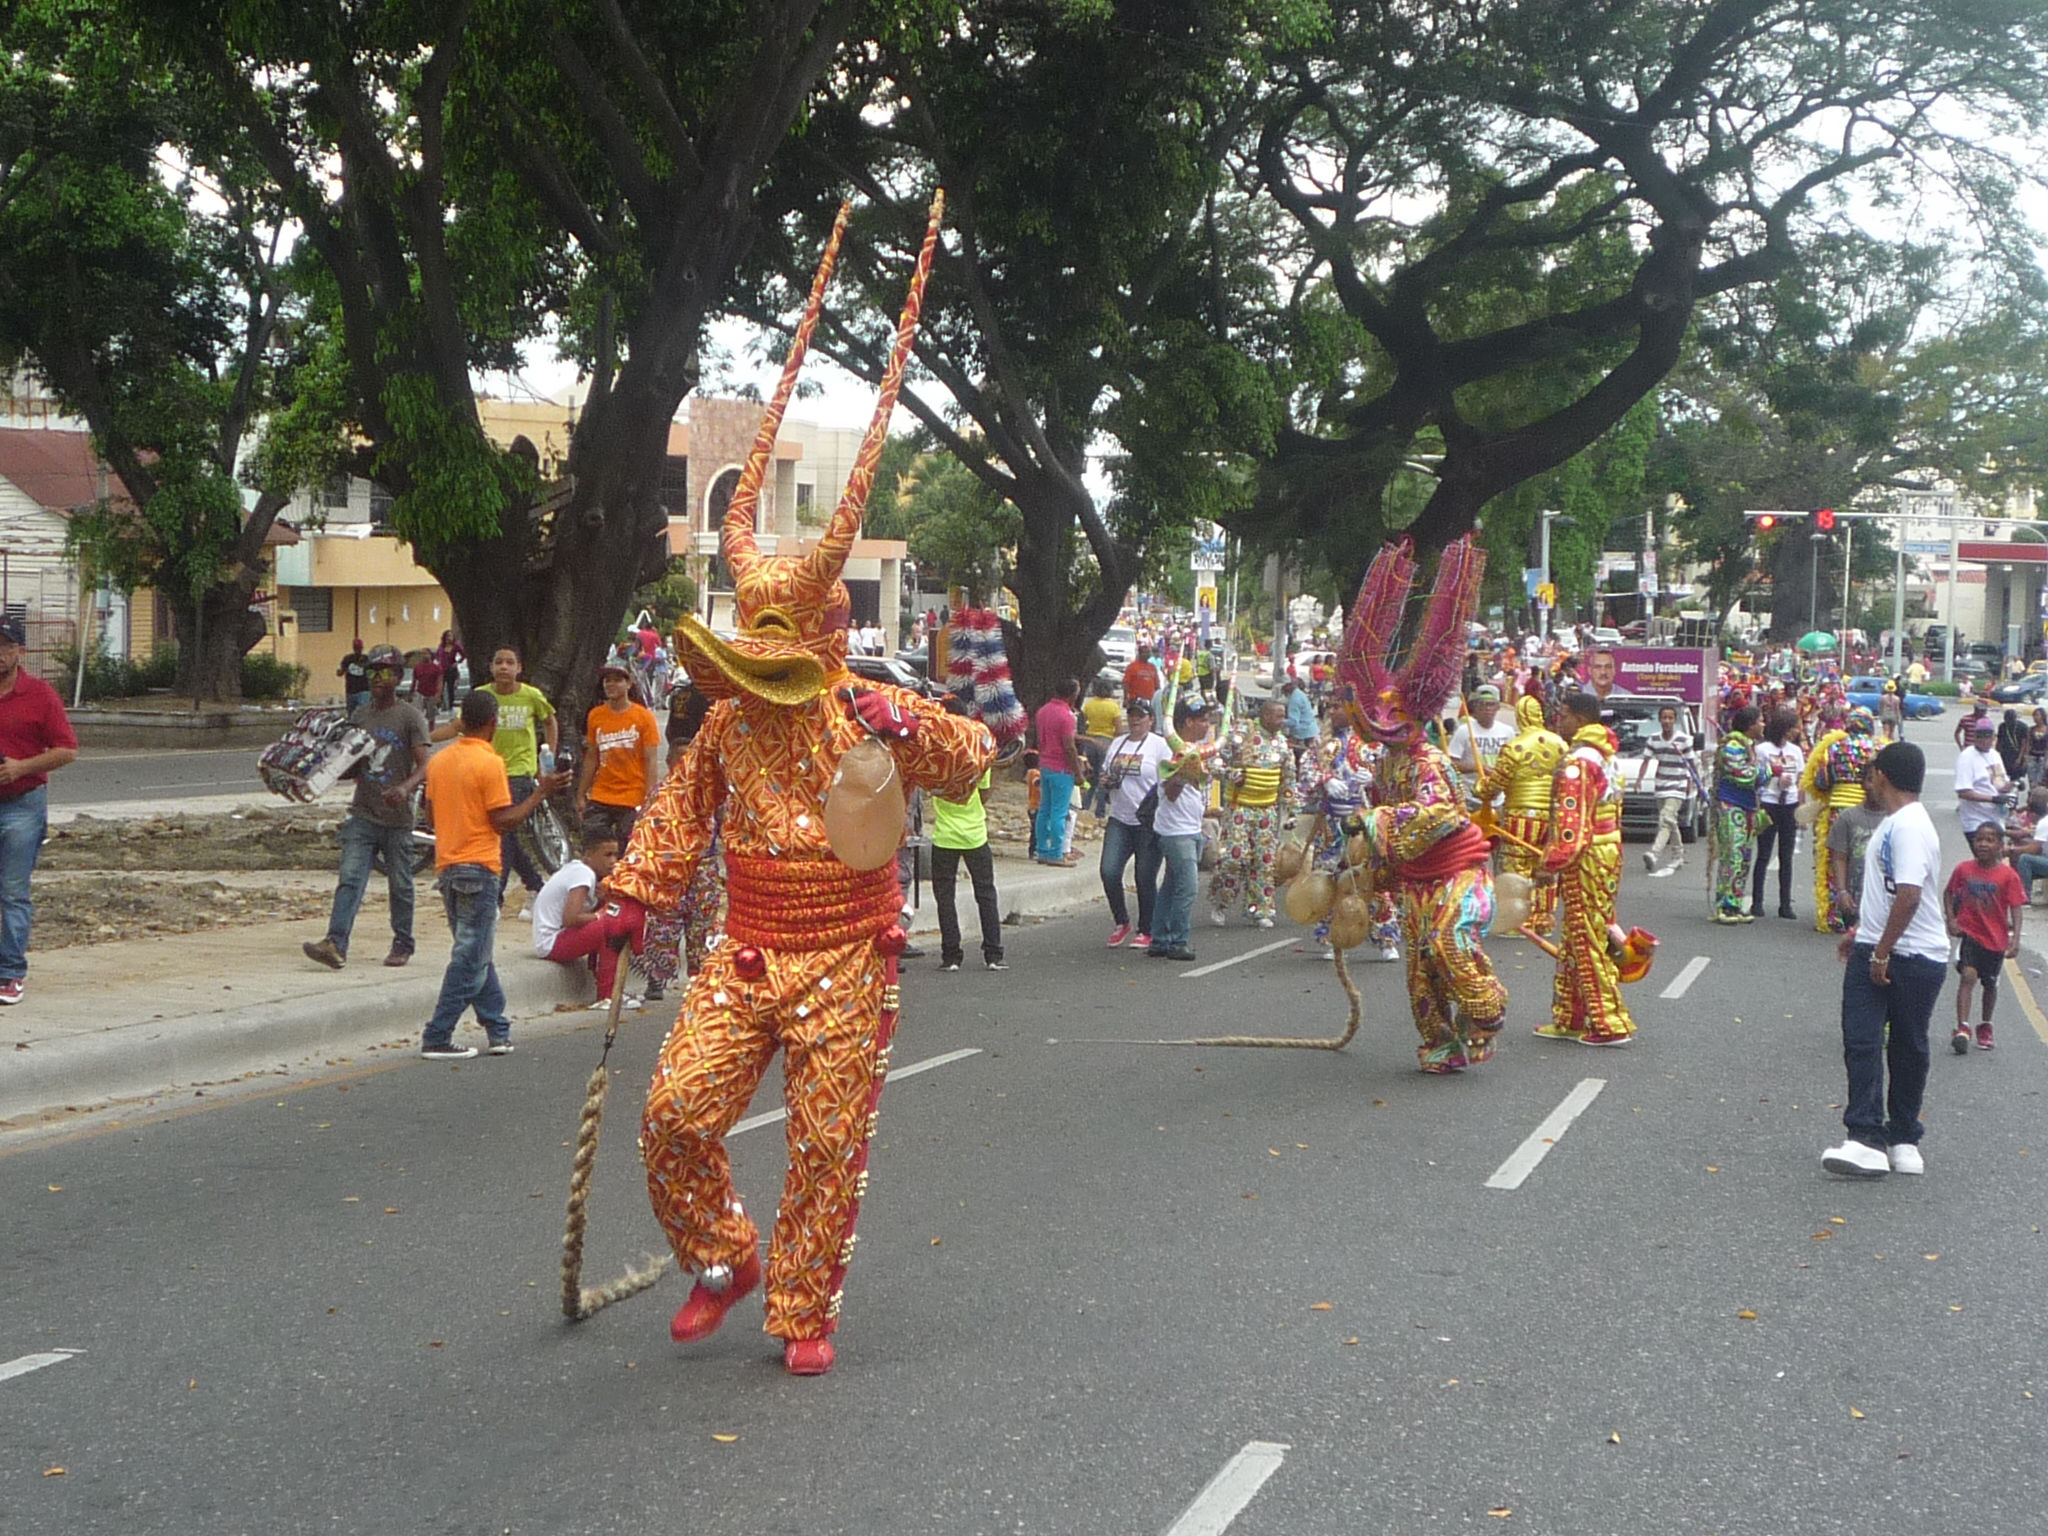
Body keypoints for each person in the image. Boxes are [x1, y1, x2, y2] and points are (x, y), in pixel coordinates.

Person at [601, 217, 994, 1376]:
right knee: (674, 1114)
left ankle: (803, 1310)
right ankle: (725, 1256)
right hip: (744, 953)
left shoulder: (869, 710)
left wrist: (904, 725)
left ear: (823, 639)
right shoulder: (724, 722)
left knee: (824, 1146)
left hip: (848, 958)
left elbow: (975, 756)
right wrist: (635, 898)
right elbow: (675, 821)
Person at [1346, 535, 1508, 1074]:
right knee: (1420, 969)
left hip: (1458, 872)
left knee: (1446, 942)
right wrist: (1371, 870)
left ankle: (1486, 1012)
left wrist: (1376, 820)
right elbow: (1379, 833)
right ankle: (1441, 1043)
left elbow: (1438, 814)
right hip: (1418, 880)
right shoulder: (1387, 768)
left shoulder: (1429, 763)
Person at [419, 688, 570, 1059]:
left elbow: (428, 815)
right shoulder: (491, 764)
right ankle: (437, 1034)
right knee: (470, 958)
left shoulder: (439, 762)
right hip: (481, 865)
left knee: (476, 952)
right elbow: (504, 821)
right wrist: (541, 793)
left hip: (449, 866)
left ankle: (498, 1029)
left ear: (461, 722)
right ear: (493, 722)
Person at [1822, 741, 1948, 1178]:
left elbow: (1911, 895)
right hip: (1880, 945)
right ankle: (1867, 1137)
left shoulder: (1909, 825)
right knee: (1863, 1040)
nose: (1869, 779)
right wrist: (1862, 934)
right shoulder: (1897, 824)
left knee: (1906, 1045)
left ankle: (1903, 1135)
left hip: (1908, 955)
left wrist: (1880, 951)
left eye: (1872, 772)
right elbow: (1891, 892)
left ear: (1884, 777)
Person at [302, 644, 430, 971]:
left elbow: (425, 766)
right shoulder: (360, 715)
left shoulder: (410, 716)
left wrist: (404, 787)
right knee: (350, 878)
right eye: (373, 672)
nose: (378, 678)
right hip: (363, 814)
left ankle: (403, 942)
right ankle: (335, 943)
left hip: (398, 820)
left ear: (399, 677)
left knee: (400, 884)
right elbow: (350, 762)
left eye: (385, 672)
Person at [1534, 690, 1636, 1046]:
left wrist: (1550, 863)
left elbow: (1571, 825)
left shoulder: (1578, 762)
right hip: (1608, 851)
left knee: (1589, 936)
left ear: (1579, 719)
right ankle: (1571, 1016)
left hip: (1587, 856)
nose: (1557, 720)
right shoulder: (1605, 757)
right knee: (1580, 932)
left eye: (1562, 714)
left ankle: (1610, 1022)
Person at [436, 646, 559, 906]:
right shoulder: (481, 696)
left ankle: (497, 897)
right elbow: (457, 727)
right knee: (505, 834)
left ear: (519, 668)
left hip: (518, 772)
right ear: (491, 667)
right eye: (498, 662)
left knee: (504, 832)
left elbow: (550, 721)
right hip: (484, 770)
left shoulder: (531, 696)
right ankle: (537, 886)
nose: (504, 667)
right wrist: (425, 737)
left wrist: (547, 756)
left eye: (509, 662)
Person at [0, 616, 77, 1004]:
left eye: (4, 646)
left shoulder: (40, 695)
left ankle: (10, 973)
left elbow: (67, 749)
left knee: (12, 892)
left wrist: (20, 767)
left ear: (19, 652)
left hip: (22, 805)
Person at [1473, 695, 1567, 936]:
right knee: (1545, 864)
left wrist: (1481, 788)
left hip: (1519, 815)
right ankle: (1543, 919)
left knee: (1517, 866)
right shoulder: (1560, 745)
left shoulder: (1516, 746)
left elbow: (1495, 785)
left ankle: (1519, 922)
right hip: (1552, 815)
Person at [930, 694, 1005, 973]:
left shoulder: (936, 753)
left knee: (945, 895)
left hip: (944, 835)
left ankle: (951, 955)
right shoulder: (977, 752)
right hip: (975, 834)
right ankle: (993, 954)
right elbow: (984, 793)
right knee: (985, 892)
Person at [1210, 694, 1296, 929]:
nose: (1282, 720)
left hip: (1267, 811)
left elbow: (1288, 779)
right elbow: (1214, 763)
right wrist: (1230, 774)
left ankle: (1260, 909)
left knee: (1264, 861)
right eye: (1279, 716)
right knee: (1234, 857)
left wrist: (1292, 811)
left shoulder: (1282, 744)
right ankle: (1221, 902)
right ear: (1266, 715)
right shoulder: (1241, 736)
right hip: (1240, 807)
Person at [1093, 696, 1172, 947]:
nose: (1135, 719)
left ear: (1151, 719)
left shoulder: (1159, 746)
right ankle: (1121, 920)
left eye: (1141, 715)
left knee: (1144, 876)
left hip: (1148, 821)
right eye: (1132, 714)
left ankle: (1147, 928)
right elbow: (1106, 772)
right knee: (1109, 871)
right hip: (1120, 817)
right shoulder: (1118, 743)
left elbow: (1169, 778)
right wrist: (1105, 781)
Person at [1944, 820, 2025, 1054]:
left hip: (1996, 939)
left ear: (2001, 845)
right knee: (1968, 976)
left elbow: (2016, 908)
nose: (1983, 844)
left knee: (1990, 984)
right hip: (1970, 934)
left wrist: (2015, 938)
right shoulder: (1964, 869)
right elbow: (1948, 893)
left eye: (1990, 840)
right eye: (1979, 839)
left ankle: (1985, 1024)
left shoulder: (2008, 876)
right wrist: (1951, 919)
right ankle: (1962, 1027)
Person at [532, 822, 632, 1007]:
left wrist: (602, 903)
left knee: (608, 922)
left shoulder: (579, 871)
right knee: (610, 925)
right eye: (607, 855)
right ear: (589, 854)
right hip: (551, 942)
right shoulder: (583, 874)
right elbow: (571, 918)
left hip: (555, 939)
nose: (613, 861)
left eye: (615, 855)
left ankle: (608, 987)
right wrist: (601, 915)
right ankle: (608, 995)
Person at [1799, 707, 1878, 932]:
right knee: (1867, 862)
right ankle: (1865, 915)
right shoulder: (1879, 748)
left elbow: (1822, 781)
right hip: (1870, 811)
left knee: (1834, 861)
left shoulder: (1833, 747)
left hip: (1837, 810)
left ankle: (1835, 916)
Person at [1148, 697, 1214, 962]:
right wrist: (1184, 773)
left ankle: (1160, 939)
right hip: (1175, 831)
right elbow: (1170, 791)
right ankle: (1178, 940)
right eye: (1203, 720)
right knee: (1187, 887)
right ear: (1188, 722)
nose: (1207, 726)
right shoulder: (1170, 750)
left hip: (1190, 827)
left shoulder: (1196, 749)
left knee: (1171, 885)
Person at [577, 660, 662, 846]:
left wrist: (650, 797)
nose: (611, 685)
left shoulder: (644, 717)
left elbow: (651, 760)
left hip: (632, 796)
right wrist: (581, 794)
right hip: (601, 794)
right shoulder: (595, 715)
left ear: (628, 683)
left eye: (617, 680)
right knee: (594, 841)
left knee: (628, 844)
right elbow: (592, 757)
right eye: (607, 680)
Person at [1751, 708, 1805, 921]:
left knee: (1786, 856)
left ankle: (1785, 904)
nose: (1795, 732)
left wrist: (1801, 808)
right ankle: (1757, 901)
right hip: (1769, 802)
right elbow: (1756, 776)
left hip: (1789, 804)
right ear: (1784, 728)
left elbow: (1801, 781)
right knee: (1763, 854)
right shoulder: (1763, 749)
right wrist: (1773, 781)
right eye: (1793, 728)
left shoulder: (1796, 751)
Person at [1710, 706, 1763, 923]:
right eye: (1760, 720)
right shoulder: (1732, 746)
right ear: (1750, 725)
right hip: (1730, 806)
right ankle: (1724, 905)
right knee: (1732, 855)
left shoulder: (1749, 746)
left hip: (1747, 807)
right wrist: (1769, 772)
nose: (1763, 724)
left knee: (1743, 858)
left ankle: (1735, 903)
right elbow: (1744, 776)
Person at [1826, 763, 1887, 934]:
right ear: (1862, 784)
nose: (1873, 786)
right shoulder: (1848, 817)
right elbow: (1839, 857)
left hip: (1883, 902)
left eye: (1880, 781)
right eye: (1869, 780)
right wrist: (1843, 892)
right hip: (1855, 901)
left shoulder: (1895, 818)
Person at [1638, 704, 1695, 877]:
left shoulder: (1684, 740)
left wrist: (1691, 783)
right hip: (1661, 785)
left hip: (1678, 786)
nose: (1667, 721)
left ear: (1675, 721)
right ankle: (1678, 855)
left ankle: (1654, 854)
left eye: (1670, 718)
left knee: (1666, 818)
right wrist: (1639, 780)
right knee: (1670, 822)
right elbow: (1646, 760)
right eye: (1664, 718)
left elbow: (1691, 764)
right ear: (1659, 720)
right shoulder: (1653, 739)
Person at [1031, 678, 1081, 866]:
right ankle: (1056, 852)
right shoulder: (1067, 716)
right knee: (1060, 812)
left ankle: (1042, 849)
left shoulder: (1043, 711)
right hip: (1062, 768)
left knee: (1044, 809)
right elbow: (1069, 747)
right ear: (1072, 694)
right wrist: (1078, 772)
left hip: (1045, 764)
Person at [1447, 685, 1515, 792]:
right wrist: (1476, 767)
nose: (1487, 708)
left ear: (1498, 707)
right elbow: (1451, 764)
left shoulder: (1507, 732)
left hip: (1497, 795)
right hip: (1470, 795)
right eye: (1482, 704)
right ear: (1476, 708)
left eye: (1491, 704)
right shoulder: (1464, 731)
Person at [1954, 719, 2009, 840]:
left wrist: (2012, 787)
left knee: (1998, 858)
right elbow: (1963, 792)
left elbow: (1999, 783)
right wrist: (1993, 799)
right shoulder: (1966, 757)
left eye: (1987, 735)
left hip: (1995, 819)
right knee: (1985, 857)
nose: (1983, 739)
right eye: (1980, 735)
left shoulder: (1994, 755)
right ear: (1974, 736)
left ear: (1993, 737)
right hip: (1976, 821)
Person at [407, 648, 444, 727]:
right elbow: (414, 681)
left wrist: (438, 695)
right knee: (417, 714)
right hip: (420, 694)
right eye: (423, 654)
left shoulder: (437, 668)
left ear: (430, 655)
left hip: (432, 694)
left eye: (426, 654)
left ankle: (431, 731)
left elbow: (440, 682)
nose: (425, 656)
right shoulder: (417, 667)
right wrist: (411, 693)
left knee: (431, 716)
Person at [433, 630, 465, 710]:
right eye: (447, 636)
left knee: (450, 688)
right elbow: (437, 655)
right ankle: (439, 705)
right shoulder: (441, 646)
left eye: (451, 636)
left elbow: (464, 655)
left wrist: (457, 662)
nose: (449, 638)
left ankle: (450, 705)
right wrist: (439, 663)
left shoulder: (456, 646)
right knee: (440, 687)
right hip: (442, 670)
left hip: (451, 670)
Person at [1122, 642, 1160, 706]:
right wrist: (1125, 698)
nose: (1148, 654)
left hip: (1150, 700)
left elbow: (1157, 685)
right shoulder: (1132, 666)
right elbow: (1126, 683)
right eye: (1145, 652)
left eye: (1149, 652)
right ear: (1140, 654)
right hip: (1135, 700)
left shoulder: (1152, 667)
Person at [1997, 707, 2029, 783]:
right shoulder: (2002, 726)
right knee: (2003, 776)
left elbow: (2024, 744)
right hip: (2005, 755)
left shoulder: (2022, 727)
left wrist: (2020, 758)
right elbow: (1999, 741)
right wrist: (1997, 754)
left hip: (2017, 755)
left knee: (2015, 779)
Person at [337, 639, 370, 713]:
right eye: (356, 648)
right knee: (351, 713)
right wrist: (340, 672)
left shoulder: (366, 659)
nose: (358, 650)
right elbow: (341, 671)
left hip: (363, 690)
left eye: (359, 648)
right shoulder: (348, 659)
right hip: (350, 691)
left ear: (362, 648)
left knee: (363, 712)